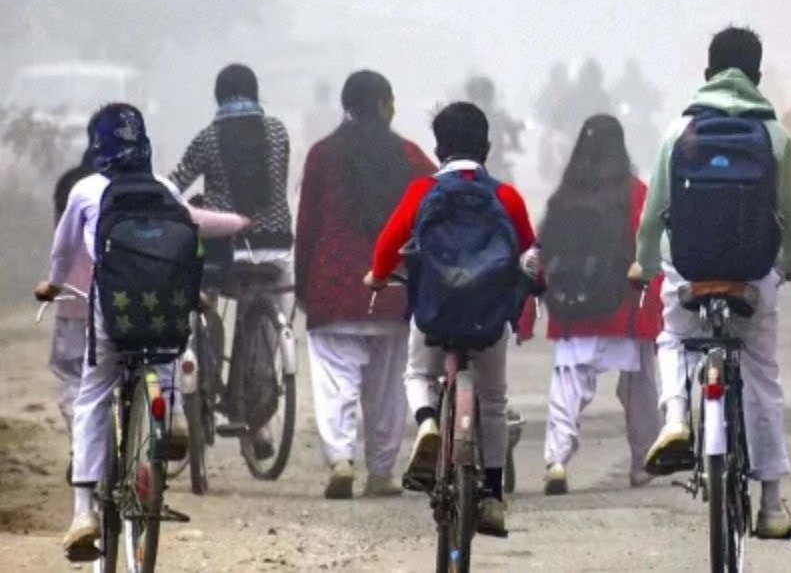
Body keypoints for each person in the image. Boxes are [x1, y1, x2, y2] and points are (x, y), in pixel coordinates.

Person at [629, 26, 791, 539]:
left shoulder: (679, 131)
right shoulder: (775, 136)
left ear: (707, 73)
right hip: (752, 275)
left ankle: (676, 421)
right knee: (762, 374)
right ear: (757, 76)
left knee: (673, 339)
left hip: (688, 270)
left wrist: (646, 264)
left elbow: (653, 215)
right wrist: (788, 261)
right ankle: (770, 506)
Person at [366, 102, 538, 537]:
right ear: (487, 147)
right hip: (488, 320)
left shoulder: (423, 192)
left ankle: (427, 422)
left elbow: (387, 247)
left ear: (439, 148)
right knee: (493, 401)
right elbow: (530, 255)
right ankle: (493, 494)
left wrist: (377, 277)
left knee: (417, 373)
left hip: (435, 315)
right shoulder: (506, 197)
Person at [36, 103, 190, 559]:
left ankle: (83, 513)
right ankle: (169, 415)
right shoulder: (165, 187)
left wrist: (51, 286)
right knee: (163, 363)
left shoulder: (86, 189)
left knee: (92, 396)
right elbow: (189, 242)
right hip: (163, 309)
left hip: (112, 310)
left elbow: (63, 252)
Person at [296, 70, 437, 500]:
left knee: (336, 382)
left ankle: (341, 459)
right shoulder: (409, 156)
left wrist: (303, 285)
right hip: (392, 288)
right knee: (388, 387)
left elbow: (308, 226)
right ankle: (381, 471)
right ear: (381, 105)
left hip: (334, 287)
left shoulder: (323, 155)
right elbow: (437, 203)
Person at [530, 114, 663, 495]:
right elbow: (650, 246)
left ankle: (557, 460)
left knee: (568, 384)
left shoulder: (564, 195)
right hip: (624, 307)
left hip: (573, 310)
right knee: (639, 386)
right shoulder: (636, 193)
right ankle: (643, 462)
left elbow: (545, 247)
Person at [169, 63, 294, 438]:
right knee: (270, 319)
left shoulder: (208, 138)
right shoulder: (277, 132)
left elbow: (175, 186)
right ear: (256, 93)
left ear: (218, 96)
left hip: (228, 249)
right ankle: (258, 415)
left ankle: (206, 382)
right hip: (275, 248)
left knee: (205, 306)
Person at [49, 143, 98, 437]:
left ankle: (81, 442)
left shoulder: (68, 186)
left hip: (74, 299)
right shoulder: (128, 190)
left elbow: (62, 245)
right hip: (119, 298)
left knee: (72, 377)